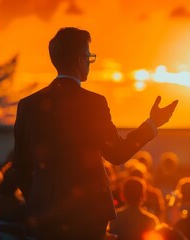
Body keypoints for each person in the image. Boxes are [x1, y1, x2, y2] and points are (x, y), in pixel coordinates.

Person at [13, 27, 178, 239]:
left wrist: (40, 198)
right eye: (89, 57)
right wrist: (153, 123)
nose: (89, 63)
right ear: (81, 59)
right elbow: (117, 154)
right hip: (89, 214)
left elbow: (20, 166)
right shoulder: (93, 103)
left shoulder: (28, 105)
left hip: (45, 215)